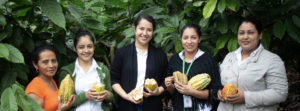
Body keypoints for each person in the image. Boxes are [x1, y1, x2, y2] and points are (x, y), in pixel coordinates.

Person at [217, 17, 288, 111]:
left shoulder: (272, 60)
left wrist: (246, 97)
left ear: (260, 35)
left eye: (250, 32)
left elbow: (280, 94)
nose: (245, 37)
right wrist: (219, 91)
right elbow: (220, 82)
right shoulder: (229, 56)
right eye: (241, 33)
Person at [110, 14, 168, 111]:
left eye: (149, 30)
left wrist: (157, 92)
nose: (145, 33)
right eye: (141, 29)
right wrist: (126, 96)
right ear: (135, 29)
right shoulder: (122, 53)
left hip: (152, 105)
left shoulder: (160, 55)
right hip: (127, 105)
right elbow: (114, 79)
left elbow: (165, 81)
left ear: (153, 32)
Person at [164, 23, 223, 111]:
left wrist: (192, 92)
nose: (189, 41)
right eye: (185, 38)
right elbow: (172, 92)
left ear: (199, 39)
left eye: (193, 37)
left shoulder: (208, 60)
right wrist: (169, 86)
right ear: (181, 39)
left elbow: (215, 93)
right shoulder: (174, 59)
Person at [58, 29, 113, 111]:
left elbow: (111, 97)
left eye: (89, 46)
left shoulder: (102, 69)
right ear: (75, 49)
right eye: (81, 47)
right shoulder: (67, 71)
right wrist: (86, 96)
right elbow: (64, 101)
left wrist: (107, 95)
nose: (86, 50)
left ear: (94, 47)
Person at [25, 45, 75, 111]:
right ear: (35, 65)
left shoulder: (51, 80)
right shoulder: (34, 91)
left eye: (54, 61)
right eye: (45, 62)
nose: (51, 65)